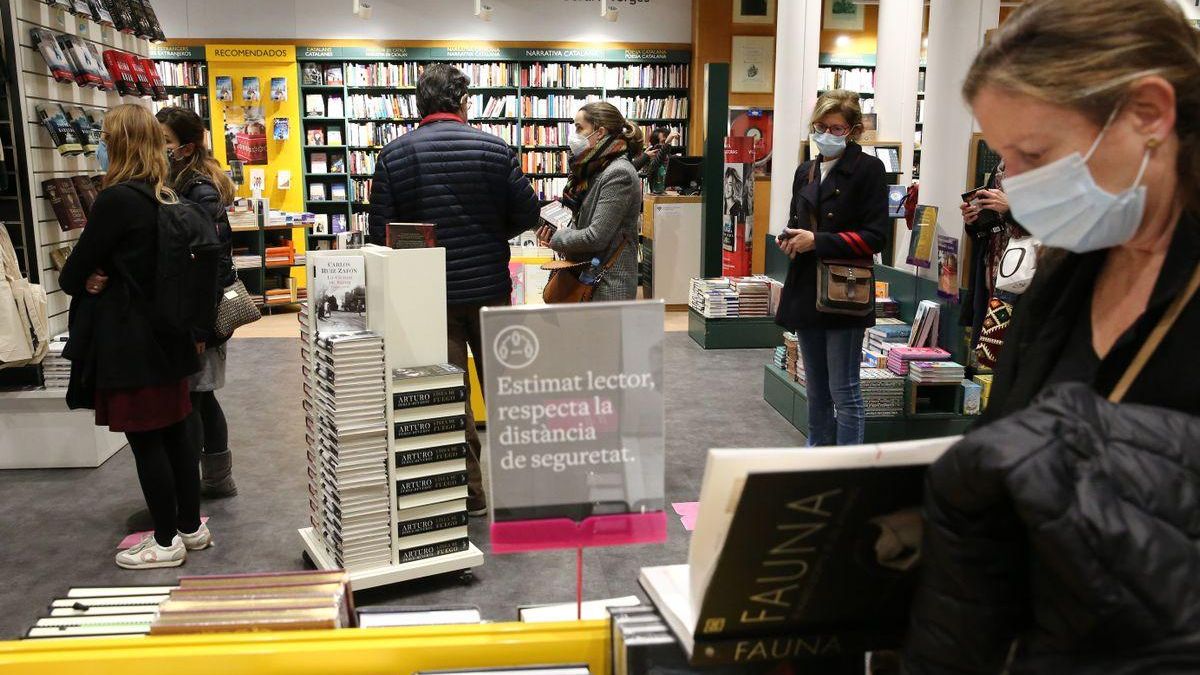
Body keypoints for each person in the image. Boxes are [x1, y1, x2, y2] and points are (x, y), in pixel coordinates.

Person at [904, 0, 1200, 672]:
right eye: (1005, 158)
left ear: (1149, 114)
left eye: (1035, 154)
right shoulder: (1065, 274)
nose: (1018, 183)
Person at [369, 63, 540, 516]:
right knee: (506, 388)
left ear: (418, 104)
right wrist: (489, 231)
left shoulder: (394, 156)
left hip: (429, 297)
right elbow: (527, 213)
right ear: (463, 102)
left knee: (448, 395)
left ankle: (470, 495)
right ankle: (526, 490)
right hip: (490, 287)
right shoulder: (494, 149)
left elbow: (380, 234)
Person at [60, 104, 212, 569]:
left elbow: (72, 274)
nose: (100, 146)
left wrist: (89, 277)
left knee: (147, 441)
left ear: (120, 143)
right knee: (176, 435)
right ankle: (190, 526)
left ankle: (165, 542)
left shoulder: (115, 200)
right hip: (170, 338)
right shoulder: (161, 195)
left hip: (131, 342)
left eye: (105, 138)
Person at [773, 89, 890, 447]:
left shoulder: (869, 169)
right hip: (807, 287)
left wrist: (817, 241)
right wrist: (790, 238)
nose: (826, 134)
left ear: (853, 130)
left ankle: (847, 469)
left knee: (845, 390)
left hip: (844, 290)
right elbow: (799, 220)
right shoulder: (804, 170)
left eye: (835, 128)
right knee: (816, 389)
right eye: (820, 126)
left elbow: (875, 237)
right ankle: (817, 458)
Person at [157, 106, 239, 498]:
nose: (160, 149)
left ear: (186, 148)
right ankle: (214, 479)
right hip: (196, 313)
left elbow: (212, 261)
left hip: (201, 315)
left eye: (167, 143)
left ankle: (210, 481)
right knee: (200, 398)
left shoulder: (198, 191)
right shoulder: (182, 183)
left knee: (198, 398)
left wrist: (201, 327)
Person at [537, 102, 644, 302]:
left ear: (600, 132)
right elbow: (584, 222)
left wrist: (558, 239)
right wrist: (554, 231)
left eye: (579, 128)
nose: (573, 135)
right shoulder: (594, 169)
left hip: (606, 286)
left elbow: (596, 236)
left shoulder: (618, 173)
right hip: (586, 277)